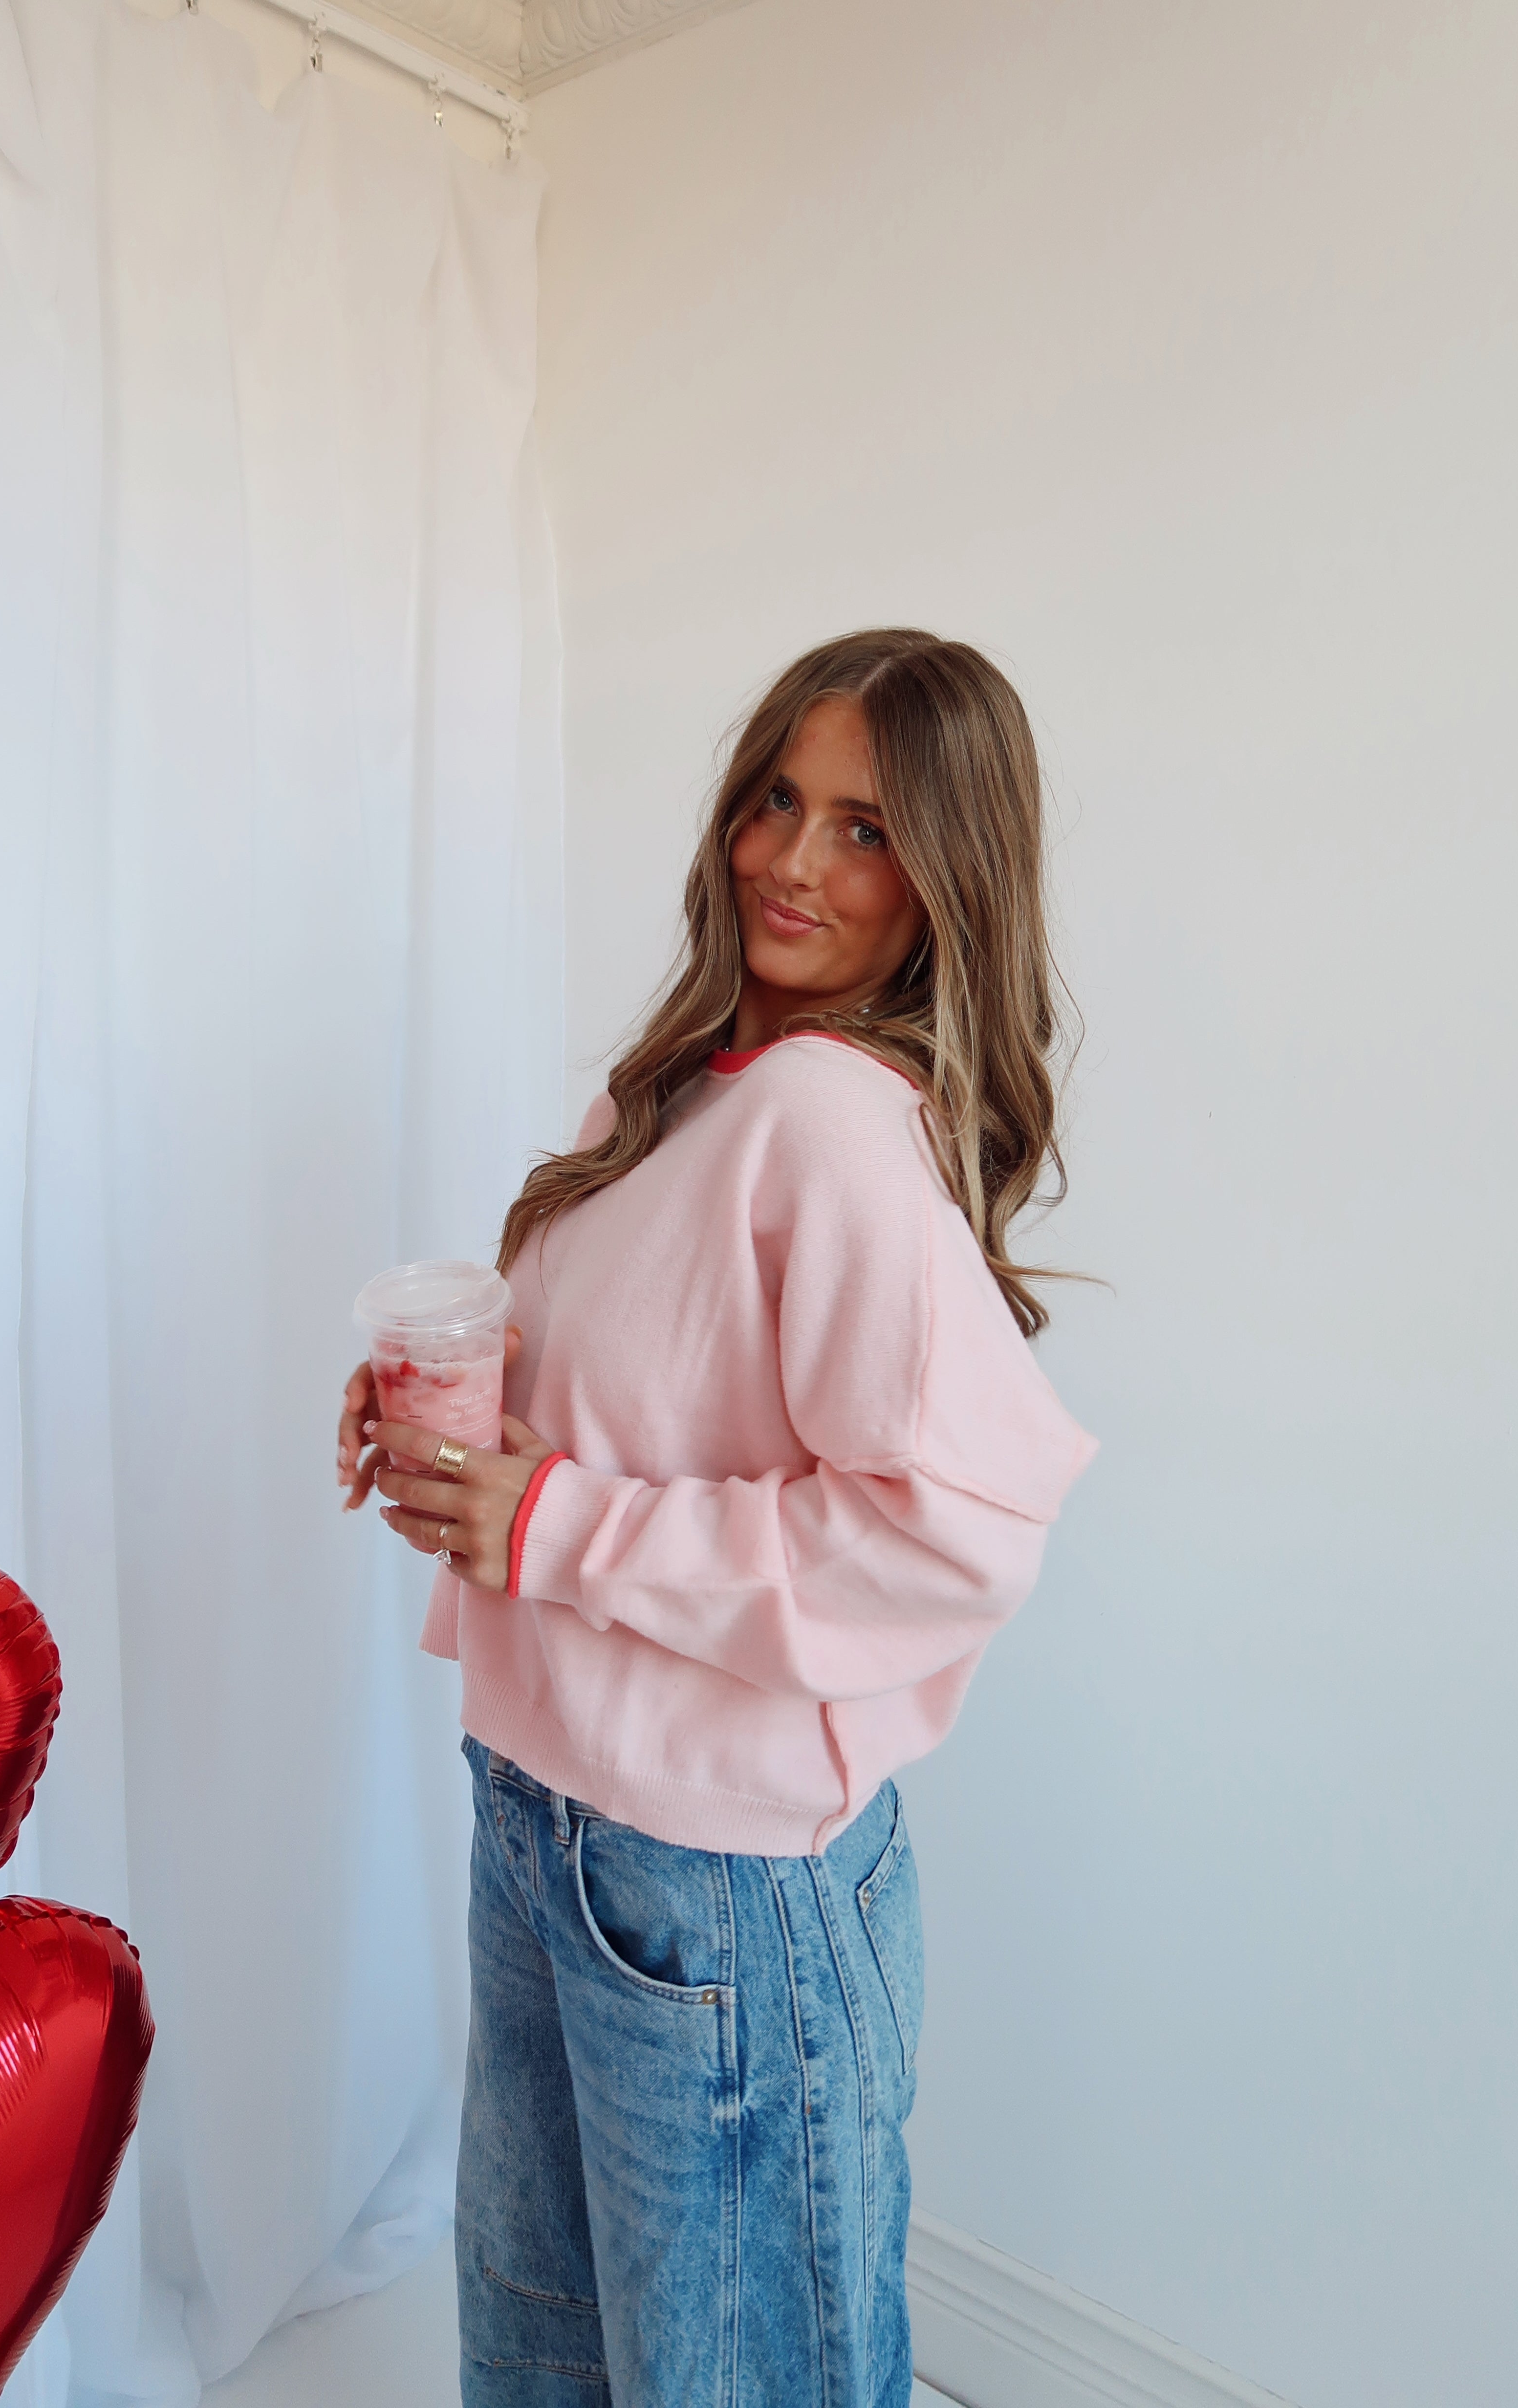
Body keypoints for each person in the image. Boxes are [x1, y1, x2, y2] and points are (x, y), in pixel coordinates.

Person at [338, 629, 1094, 2408]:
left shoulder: (829, 1125)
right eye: (776, 800)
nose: (792, 861)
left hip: (715, 1889)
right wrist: (462, 1430)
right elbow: (649, 1404)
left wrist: (555, 1526)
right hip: (549, 1819)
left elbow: (952, 1533)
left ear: (947, 879)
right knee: (545, 2361)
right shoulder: (682, 1084)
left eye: (864, 830)